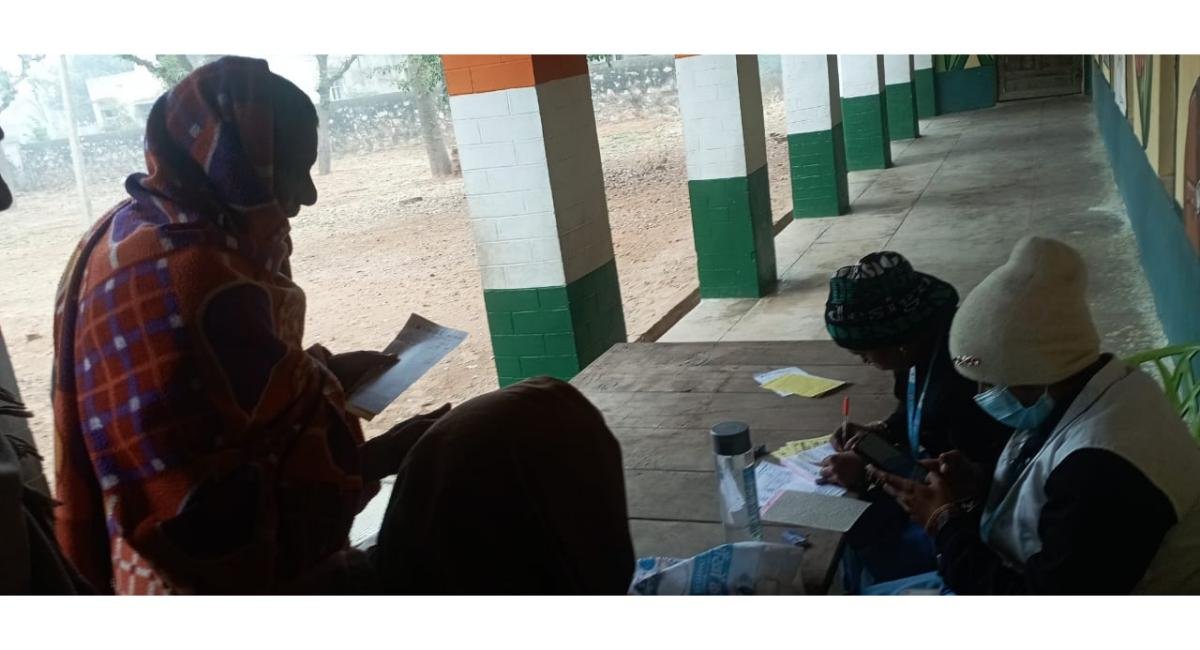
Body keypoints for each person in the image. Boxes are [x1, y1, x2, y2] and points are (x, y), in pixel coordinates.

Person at [50, 57, 410, 594]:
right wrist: (387, 454)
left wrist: (325, 374)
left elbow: (208, 404)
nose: (308, 194)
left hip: (133, 561)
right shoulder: (202, 273)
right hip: (205, 575)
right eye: (292, 168)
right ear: (235, 164)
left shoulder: (125, 230)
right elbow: (236, 494)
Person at [871, 236, 1200, 594]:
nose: (981, 394)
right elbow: (1046, 490)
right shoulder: (1103, 386)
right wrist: (980, 482)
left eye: (990, 383)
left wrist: (945, 522)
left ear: (1034, 374)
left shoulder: (1102, 467)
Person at [821, 251, 1011, 592]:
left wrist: (868, 474)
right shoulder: (921, 347)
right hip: (937, 491)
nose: (863, 361)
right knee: (851, 528)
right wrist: (881, 431)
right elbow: (910, 412)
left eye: (865, 353)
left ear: (898, 343)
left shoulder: (961, 378)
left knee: (859, 528)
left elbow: (952, 475)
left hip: (969, 519)